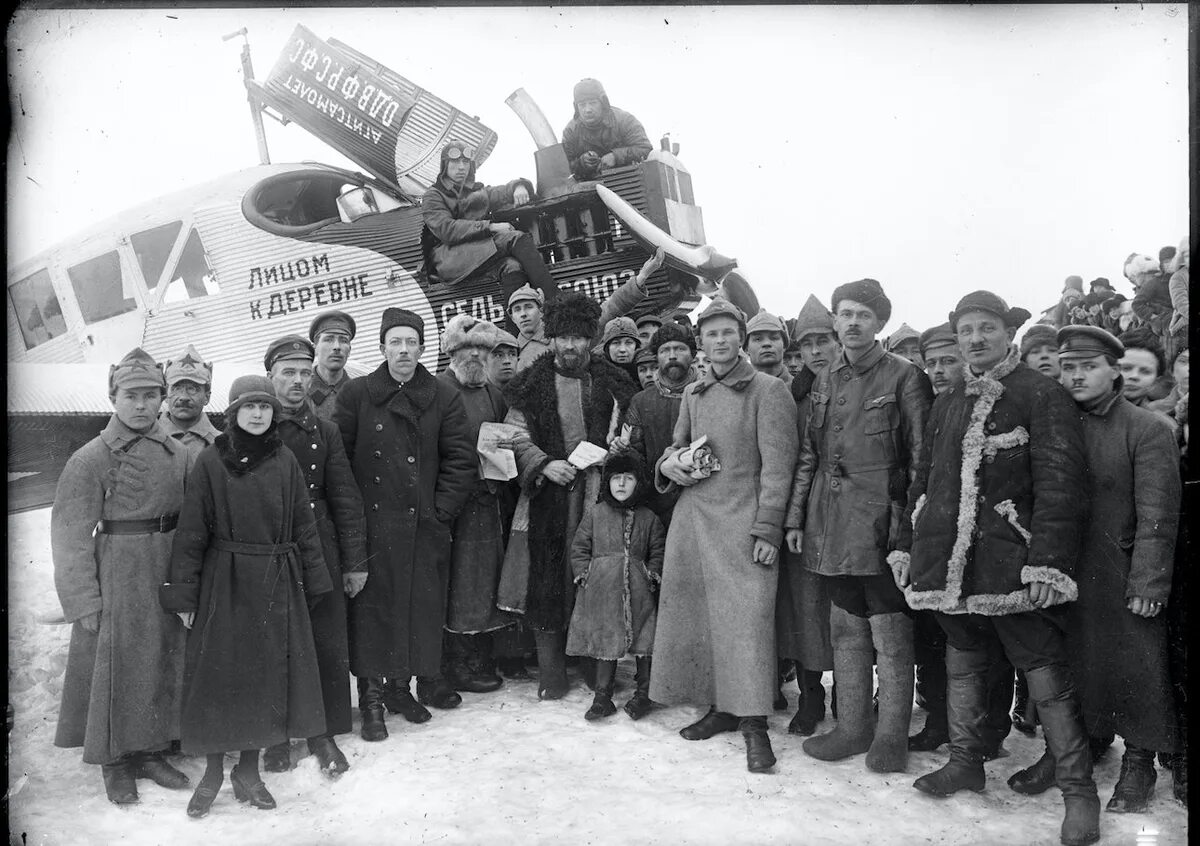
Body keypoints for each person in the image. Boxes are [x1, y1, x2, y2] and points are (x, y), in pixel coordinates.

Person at [894, 290, 1099, 846]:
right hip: (951, 562)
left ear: (1006, 332)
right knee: (963, 659)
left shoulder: (1042, 393)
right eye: (966, 330)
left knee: (1041, 666)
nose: (975, 338)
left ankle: (1079, 793)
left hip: (1012, 560)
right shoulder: (948, 400)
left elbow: (1061, 485)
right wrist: (909, 548)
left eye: (986, 327)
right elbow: (925, 483)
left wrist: (1046, 563)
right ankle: (965, 762)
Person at [1005, 326, 1180, 815]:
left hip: (1121, 573)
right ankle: (1066, 753)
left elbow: (1158, 515)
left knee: (1137, 668)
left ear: (1114, 370)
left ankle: (1139, 762)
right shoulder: (1057, 425)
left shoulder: (1146, 428)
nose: (1076, 375)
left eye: (1088, 366)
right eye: (1068, 366)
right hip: (1066, 572)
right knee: (1073, 665)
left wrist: (1148, 581)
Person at [160, 375, 332, 818]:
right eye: (248, 407)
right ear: (232, 412)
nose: (258, 414)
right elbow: (193, 531)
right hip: (225, 582)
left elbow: (303, 525)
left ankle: (248, 772)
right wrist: (184, 595)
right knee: (219, 677)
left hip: (276, 580)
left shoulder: (285, 460)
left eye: (265, 407)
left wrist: (313, 581)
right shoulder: (211, 462)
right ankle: (214, 772)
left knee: (265, 678)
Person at [786, 278, 932, 775]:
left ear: (880, 323)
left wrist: (907, 532)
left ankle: (890, 736)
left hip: (882, 525)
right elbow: (810, 456)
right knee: (846, 629)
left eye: (862, 316)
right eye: (844, 314)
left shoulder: (905, 376)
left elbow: (920, 461)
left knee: (891, 635)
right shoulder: (824, 378)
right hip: (831, 524)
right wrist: (796, 519)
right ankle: (852, 728)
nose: (851, 323)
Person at [651, 298, 798, 774]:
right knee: (706, 619)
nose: (719, 341)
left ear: (742, 339)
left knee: (748, 623)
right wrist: (669, 465)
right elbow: (677, 446)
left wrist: (768, 528)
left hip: (744, 523)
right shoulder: (693, 394)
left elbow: (779, 469)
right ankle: (721, 708)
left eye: (727, 333)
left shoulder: (768, 390)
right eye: (710, 333)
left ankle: (754, 722)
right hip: (695, 520)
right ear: (701, 342)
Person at [52, 348, 191, 804]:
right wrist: (83, 601)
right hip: (116, 572)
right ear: (113, 397)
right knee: (117, 665)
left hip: (165, 566)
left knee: (159, 657)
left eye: (152, 396)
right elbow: (70, 537)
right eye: (132, 395)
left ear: (163, 399)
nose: (142, 405)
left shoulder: (178, 454)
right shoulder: (89, 459)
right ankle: (115, 761)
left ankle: (151, 750)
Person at [334, 308, 476, 740]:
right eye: (394, 342)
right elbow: (339, 465)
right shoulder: (357, 394)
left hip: (422, 526)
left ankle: (401, 689)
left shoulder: (441, 395)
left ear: (421, 349)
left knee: (417, 609)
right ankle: (373, 701)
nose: (403, 350)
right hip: (372, 527)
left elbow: (460, 459)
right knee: (374, 614)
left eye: (411, 342)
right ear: (381, 348)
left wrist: (440, 510)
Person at [498, 293, 640, 700]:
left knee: (597, 576)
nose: (571, 346)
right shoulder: (529, 384)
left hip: (598, 494)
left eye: (579, 337)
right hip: (547, 495)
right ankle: (552, 670)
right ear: (552, 338)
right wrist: (543, 464)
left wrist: (618, 451)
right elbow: (514, 434)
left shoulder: (613, 383)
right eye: (563, 337)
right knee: (546, 574)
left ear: (591, 339)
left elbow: (630, 431)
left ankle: (598, 665)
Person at [261, 335, 368, 777]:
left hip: (320, 542)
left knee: (325, 635)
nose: (298, 381)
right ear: (270, 377)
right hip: (270, 546)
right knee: (276, 639)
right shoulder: (255, 427)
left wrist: (355, 562)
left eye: (306, 372)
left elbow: (345, 496)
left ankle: (322, 729)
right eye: (288, 372)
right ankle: (275, 733)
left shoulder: (325, 432)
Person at [436, 315, 516, 694]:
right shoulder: (438, 389)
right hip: (452, 504)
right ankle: (456, 663)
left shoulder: (492, 394)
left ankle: (480, 654)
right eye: (467, 350)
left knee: (483, 578)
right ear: (452, 352)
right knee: (458, 582)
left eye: (481, 351)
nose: (475, 358)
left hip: (488, 501)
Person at [776, 294, 838, 737]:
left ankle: (852, 696)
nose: (815, 352)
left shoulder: (861, 385)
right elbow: (793, 461)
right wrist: (793, 518)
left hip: (853, 512)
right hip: (808, 512)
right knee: (805, 608)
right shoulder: (791, 398)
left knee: (851, 612)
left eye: (824, 341)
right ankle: (811, 695)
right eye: (806, 345)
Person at [566, 452, 666, 721]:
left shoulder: (649, 518)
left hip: (640, 590)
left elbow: (657, 549)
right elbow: (579, 547)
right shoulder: (595, 514)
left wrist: (651, 572)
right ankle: (602, 696)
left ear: (638, 483)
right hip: (602, 589)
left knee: (646, 640)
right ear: (607, 483)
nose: (621, 484)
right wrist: (584, 572)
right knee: (605, 639)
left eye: (628, 478)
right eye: (615, 478)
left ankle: (644, 694)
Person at [421, 139, 558, 308]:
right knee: (515, 238)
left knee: (512, 267)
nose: (462, 167)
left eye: (465, 162)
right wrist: (490, 227)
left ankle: (515, 332)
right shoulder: (433, 196)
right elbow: (447, 230)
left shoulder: (477, 191)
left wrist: (518, 186)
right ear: (445, 164)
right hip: (449, 258)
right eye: (455, 161)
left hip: (477, 251)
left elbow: (500, 193)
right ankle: (556, 303)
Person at [613, 321, 698, 529]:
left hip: (702, 501)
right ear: (657, 357)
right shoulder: (641, 401)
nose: (672, 355)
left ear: (692, 354)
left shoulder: (707, 393)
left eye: (680, 348)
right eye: (665, 350)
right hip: (657, 504)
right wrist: (621, 450)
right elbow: (635, 455)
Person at [561, 78, 653, 181]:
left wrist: (616, 156)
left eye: (592, 103)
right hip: (589, 188)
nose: (587, 110)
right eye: (582, 105)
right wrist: (581, 163)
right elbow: (562, 170)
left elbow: (645, 149)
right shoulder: (571, 131)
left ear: (603, 103)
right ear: (576, 107)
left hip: (629, 181)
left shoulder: (625, 121)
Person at [158, 345, 220, 460]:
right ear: (166, 394)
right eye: (176, 388)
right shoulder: (144, 440)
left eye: (193, 388)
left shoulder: (222, 445)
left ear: (207, 397)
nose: (184, 397)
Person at [308, 310, 357, 424]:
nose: (337, 347)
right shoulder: (300, 391)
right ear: (315, 347)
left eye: (343, 340)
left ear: (349, 350)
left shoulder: (360, 395)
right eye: (329, 339)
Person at [744, 309, 792, 385]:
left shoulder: (800, 390)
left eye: (774, 338)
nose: (766, 343)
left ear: (784, 345)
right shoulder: (734, 391)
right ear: (746, 348)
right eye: (758, 339)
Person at [919, 323, 963, 396]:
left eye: (948, 361)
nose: (937, 370)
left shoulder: (984, 402)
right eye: (931, 364)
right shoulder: (930, 405)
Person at [595, 315, 641, 382]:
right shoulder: (595, 375)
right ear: (608, 348)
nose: (622, 350)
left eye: (628, 343)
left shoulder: (647, 372)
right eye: (616, 343)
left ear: (636, 347)